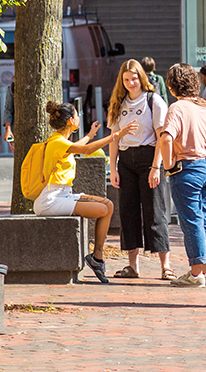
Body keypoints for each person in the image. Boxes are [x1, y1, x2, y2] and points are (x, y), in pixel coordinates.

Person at [33, 101, 134, 284]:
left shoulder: (60, 141)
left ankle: (97, 258)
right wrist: (115, 136)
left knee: (108, 205)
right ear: (71, 121)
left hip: (62, 194)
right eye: (77, 115)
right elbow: (85, 150)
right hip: (51, 199)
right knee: (102, 210)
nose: (79, 117)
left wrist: (89, 135)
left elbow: (79, 146)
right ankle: (98, 258)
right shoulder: (56, 142)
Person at [107, 59, 173, 281]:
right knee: (128, 212)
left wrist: (156, 167)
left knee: (155, 211)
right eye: (126, 79)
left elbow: (161, 136)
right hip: (126, 160)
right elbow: (114, 139)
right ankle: (132, 265)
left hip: (149, 158)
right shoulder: (118, 103)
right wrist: (113, 167)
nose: (130, 83)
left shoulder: (154, 101)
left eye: (134, 78)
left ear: (142, 78)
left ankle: (166, 265)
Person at [161, 63, 206, 287]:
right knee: (204, 218)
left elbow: (166, 138)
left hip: (187, 168)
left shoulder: (177, 108)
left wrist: (168, 164)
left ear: (173, 86)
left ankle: (196, 274)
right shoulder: (204, 105)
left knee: (191, 221)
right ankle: (205, 270)